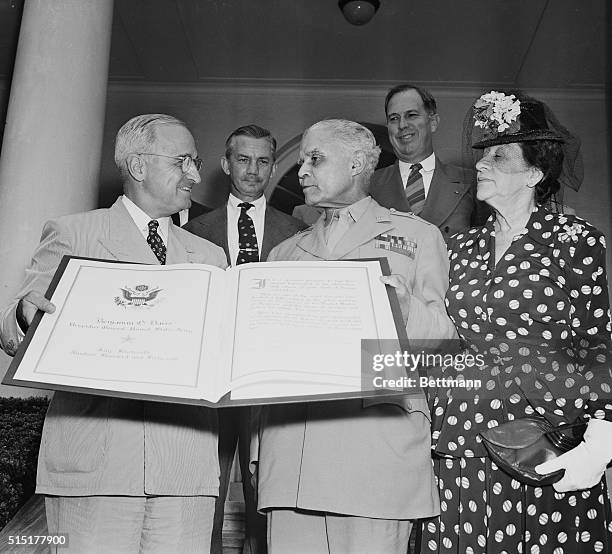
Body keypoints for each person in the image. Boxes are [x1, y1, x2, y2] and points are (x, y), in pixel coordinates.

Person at [0, 114, 228, 553]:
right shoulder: (74, 233)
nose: (195, 175)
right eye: (183, 161)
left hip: (185, 468)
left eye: (195, 162)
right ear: (138, 166)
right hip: (94, 466)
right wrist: (29, 315)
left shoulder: (209, 256)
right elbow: (13, 323)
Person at [421, 91, 612, 553]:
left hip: (545, 440)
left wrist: (603, 439)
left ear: (535, 172)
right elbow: (442, 343)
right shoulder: (460, 248)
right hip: (462, 435)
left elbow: (596, 340)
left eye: (499, 156)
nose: (482, 164)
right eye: (482, 154)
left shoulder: (576, 240)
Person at [254, 119, 457, 553]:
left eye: (316, 158)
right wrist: (259, 452)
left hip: (375, 456)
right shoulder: (283, 253)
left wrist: (406, 310)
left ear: (359, 163)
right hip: (293, 459)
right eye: (303, 159)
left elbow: (443, 353)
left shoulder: (419, 237)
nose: (302, 170)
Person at [184, 124, 306, 554]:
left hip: (267, 382)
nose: (253, 170)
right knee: (206, 491)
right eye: (243, 159)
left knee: (264, 492)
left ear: (273, 166)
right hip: (211, 381)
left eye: (263, 161)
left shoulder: (297, 233)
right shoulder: (194, 230)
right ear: (225, 164)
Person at [370, 83, 487, 240]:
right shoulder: (369, 184)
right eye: (394, 118)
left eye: (411, 115)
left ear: (433, 122)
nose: (402, 125)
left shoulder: (472, 180)